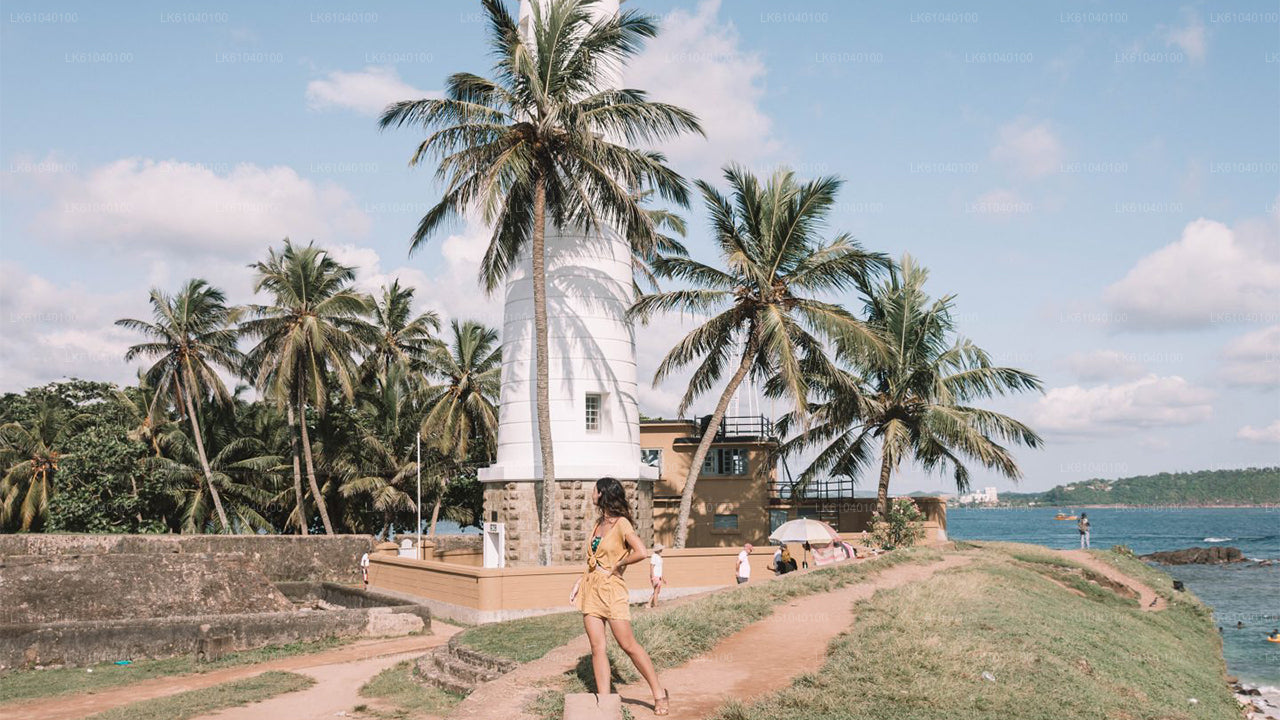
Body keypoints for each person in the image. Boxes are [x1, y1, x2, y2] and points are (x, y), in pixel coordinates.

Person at [568, 478, 669, 715]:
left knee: (628, 645)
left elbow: (641, 552)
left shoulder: (622, 524)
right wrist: (580, 581)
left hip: (612, 590)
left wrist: (619, 564)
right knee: (597, 647)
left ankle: (658, 693)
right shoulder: (598, 523)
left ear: (602, 494)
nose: (591, 493)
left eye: (594, 490)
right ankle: (605, 703)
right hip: (591, 589)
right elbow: (593, 560)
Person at [648, 544, 667, 608]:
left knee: (657, 591)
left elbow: (660, 568)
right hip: (655, 576)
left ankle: (649, 604)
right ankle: (655, 605)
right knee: (656, 591)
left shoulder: (659, 557)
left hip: (659, 576)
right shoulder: (654, 556)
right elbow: (651, 566)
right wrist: (653, 577)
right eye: (661, 549)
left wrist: (663, 578)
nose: (662, 550)